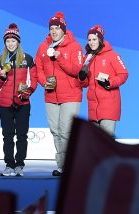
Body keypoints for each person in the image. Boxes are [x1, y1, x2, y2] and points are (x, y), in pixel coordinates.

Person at [35, 12, 83, 176]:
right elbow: (38, 69)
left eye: (57, 28)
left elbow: (77, 70)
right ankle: (62, 166)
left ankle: (71, 165)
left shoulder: (74, 46)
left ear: (63, 29)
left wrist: (60, 57)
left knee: (66, 131)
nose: (54, 31)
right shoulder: (43, 46)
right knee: (55, 131)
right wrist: (44, 82)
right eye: (51, 28)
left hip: (70, 95)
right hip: (50, 95)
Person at [0, 23, 37, 176]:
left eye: (13, 41)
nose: (10, 44)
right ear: (4, 43)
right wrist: (2, 77)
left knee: (22, 135)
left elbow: (33, 81)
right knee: (8, 135)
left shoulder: (28, 59)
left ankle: (19, 165)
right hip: (5, 103)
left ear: (18, 41)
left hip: (23, 103)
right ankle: (9, 165)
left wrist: (26, 93)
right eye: (8, 41)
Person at [78, 25, 128, 137]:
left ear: (100, 39)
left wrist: (109, 83)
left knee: (107, 142)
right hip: (93, 107)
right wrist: (82, 77)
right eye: (89, 40)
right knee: (96, 144)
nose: (91, 42)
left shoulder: (112, 55)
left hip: (109, 106)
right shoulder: (87, 58)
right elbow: (85, 84)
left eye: (94, 39)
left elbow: (124, 74)